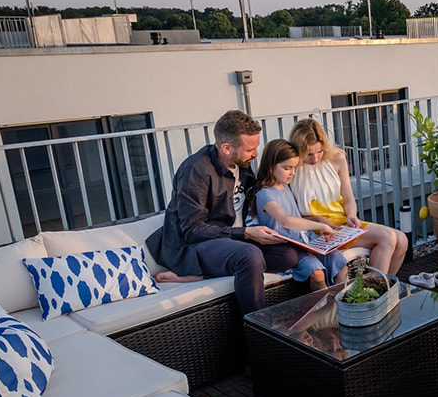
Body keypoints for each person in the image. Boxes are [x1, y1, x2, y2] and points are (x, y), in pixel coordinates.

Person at [147, 110, 299, 314]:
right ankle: (257, 329)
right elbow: (192, 230)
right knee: (250, 256)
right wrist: (245, 233)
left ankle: (202, 275)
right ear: (226, 148)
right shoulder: (196, 170)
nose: (256, 153)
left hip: (231, 242)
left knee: (288, 255)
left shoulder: (242, 165)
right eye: (250, 149)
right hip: (193, 246)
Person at [288, 118, 408, 274]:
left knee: (402, 240)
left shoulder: (337, 158)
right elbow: (289, 216)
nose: (315, 158)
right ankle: (373, 293)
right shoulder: (290, 168)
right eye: (309, 154)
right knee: (387, 237)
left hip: (341, 226)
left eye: (319, 151)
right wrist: (318, 220)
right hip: (315, 232)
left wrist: (351, 214)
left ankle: (382, 289)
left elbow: (349, 199)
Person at [248, 139, 350, 290]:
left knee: (340, 263)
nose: (292, 173)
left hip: (306, 240)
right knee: (317, 273)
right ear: (271, 167)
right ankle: (327, 308)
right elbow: (285, 221)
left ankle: (343, 302)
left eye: (294, 168)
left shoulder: (284, 186)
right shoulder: (265, 194)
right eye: (287, 168)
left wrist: (317, 218)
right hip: (289, 247)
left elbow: (295, 217)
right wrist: (319, 225)